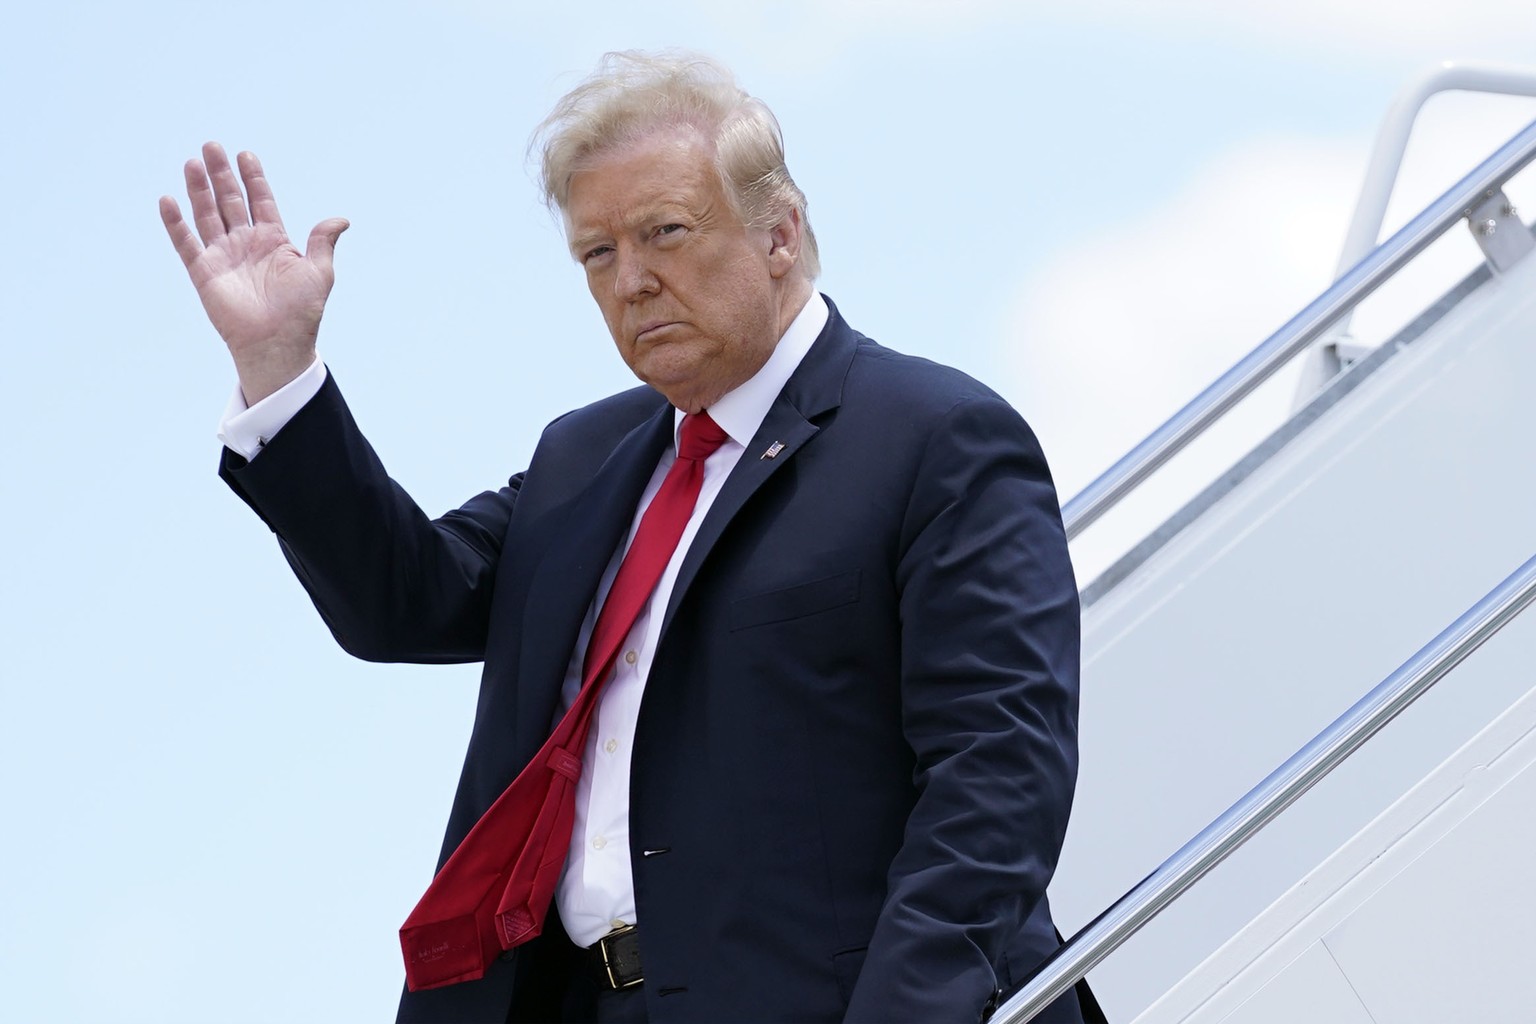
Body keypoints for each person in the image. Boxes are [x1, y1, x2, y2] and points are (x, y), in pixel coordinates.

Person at [161, 51, 1094, 1024]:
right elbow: (408, 598)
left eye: (665, 233)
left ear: (779, 231)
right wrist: (280, 370)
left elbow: (998, 777)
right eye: (596, 254)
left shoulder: (935, 438)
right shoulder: (586, 456)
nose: (633, 281)